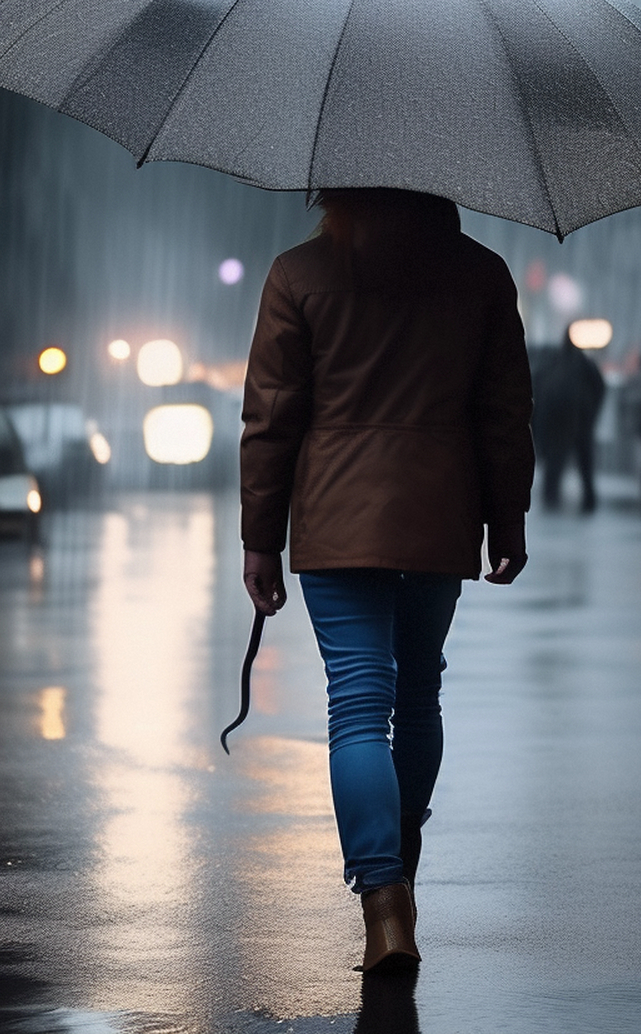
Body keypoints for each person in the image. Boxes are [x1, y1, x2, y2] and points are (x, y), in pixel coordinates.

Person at [239, 187, 534, 974]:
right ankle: (401, 855)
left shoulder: (298, 274)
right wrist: (507, 521)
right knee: (417, 697)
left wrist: (260, 538)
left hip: (337, 516)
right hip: (439, 510)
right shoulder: (482, 274)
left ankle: (384, 902)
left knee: (359, 706)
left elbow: (272, 417)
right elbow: (505, 413)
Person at [532, 327, 606, 512]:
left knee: (555, 462)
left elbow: (536, 394)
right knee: (584, 462)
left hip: (560, 422)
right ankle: (588, 500)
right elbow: (600, 388)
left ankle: (552, 499)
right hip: (580, 419)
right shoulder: (584, 364)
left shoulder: (552, 365)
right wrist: (591, 415)